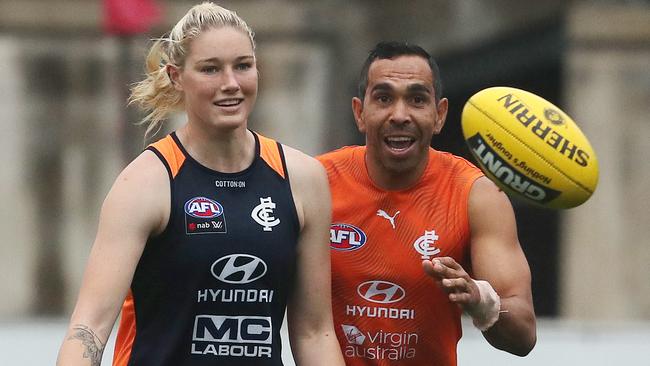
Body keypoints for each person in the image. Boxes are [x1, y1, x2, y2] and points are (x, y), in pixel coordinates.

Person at [56, 2, 344, 365]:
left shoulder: (302, 179)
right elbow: (89, 328)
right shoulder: (145, 183)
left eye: (243, 65)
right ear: (177, 76)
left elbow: (314, 332)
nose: (231, 84)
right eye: (210, 69)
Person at [317, 41, 536, 365]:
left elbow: (524, 333)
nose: (400, 115)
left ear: (439, 115)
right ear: (359, 113)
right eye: (383, 98)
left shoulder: (475, 195)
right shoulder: (316, 183)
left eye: (417, 99)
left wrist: (481, 300)